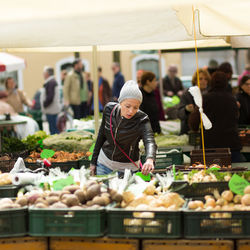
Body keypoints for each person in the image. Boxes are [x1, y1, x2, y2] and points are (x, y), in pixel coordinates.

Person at [90, 80, 157, 176]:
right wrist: (93, 162)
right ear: (120, 102)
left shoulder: (142, 119)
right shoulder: (109, 110)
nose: (131, 111)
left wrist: (150, 159)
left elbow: (150, 141)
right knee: (104, 191)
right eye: (127, 106)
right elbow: (101, 135)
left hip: (128, 169)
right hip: (104, 164)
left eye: (135, 107)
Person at [189, 72, 241, 163]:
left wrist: (194, 129)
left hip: (210, 145)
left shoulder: (204, 99)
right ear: (226, 83)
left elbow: (194, 120)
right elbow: (236, 117)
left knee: (212, 174)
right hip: (231, 144)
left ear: (211, 82)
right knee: (234, 173)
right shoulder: (232, 99)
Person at [177, 69, 210, 135]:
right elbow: (179, 114)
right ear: (195, 81)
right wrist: (186, 109)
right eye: (200, 79)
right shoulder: (187, 94)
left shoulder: (210, 94)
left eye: (206, 79)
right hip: (189, 132)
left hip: (206, 132)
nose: (203, 81)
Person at [40, 67, 61, 135]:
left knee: (53, 130)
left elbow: (50, 96)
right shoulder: (52, 81)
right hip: (52, 109)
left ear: (47, 74)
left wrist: (44, 104)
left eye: (44, 73)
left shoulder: (51, 82)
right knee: (54, 128)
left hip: (51, 110)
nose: (43, 75)